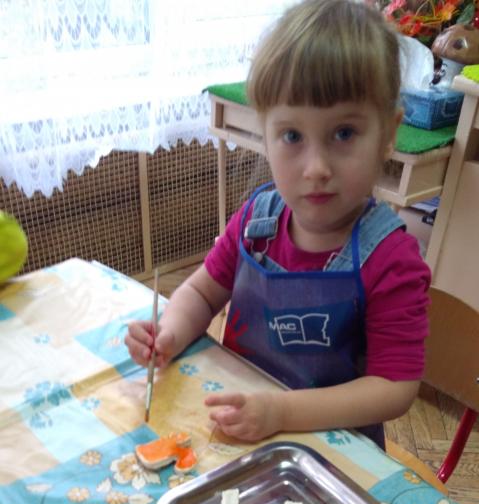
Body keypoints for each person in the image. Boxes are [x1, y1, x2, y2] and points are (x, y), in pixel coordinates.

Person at [125, 0, 430, 448]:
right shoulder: (256, 221)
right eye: (292, 136)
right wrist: (169, 333)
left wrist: (282, 412)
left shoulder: (391, 259)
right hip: (238, 427)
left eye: (344, 133)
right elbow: (202, 293)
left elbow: (394, 387)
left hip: (330, 452)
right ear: (264, 135)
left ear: (388, 135)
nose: (316, 168)